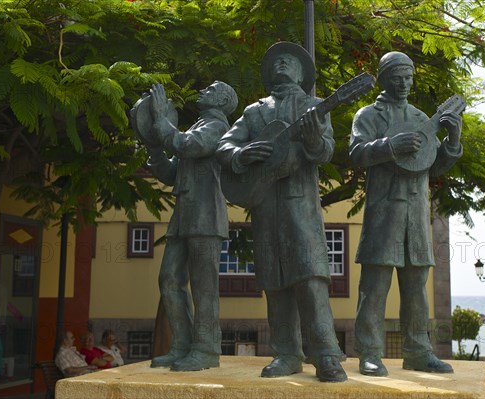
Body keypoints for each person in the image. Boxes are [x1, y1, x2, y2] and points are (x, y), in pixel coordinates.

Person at [216, 42, 346, 383]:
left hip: (300, 204)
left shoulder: (314, 106)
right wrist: (240, 155)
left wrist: (315, 139)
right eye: (275, 62)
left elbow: (325, 151)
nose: (281, 65)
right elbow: (224, 145)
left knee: (309, 279)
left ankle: (327, 355)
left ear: (303, 73)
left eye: (288, 61)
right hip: (265, 205)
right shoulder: (253, 112)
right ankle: (286, 354)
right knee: (274, 283)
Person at [350, 51, 463, 376]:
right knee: (374, 287)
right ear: (384, 78)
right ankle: (369, 353)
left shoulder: (419, 117)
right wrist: (389, 146)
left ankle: (417, 351)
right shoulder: (368, 115)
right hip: (384, 212)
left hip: (416, 214)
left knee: (417, 288)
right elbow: (356, 154)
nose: (403, 83)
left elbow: (432, 164)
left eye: (408, 77)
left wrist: (452, 141)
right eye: (397, 77)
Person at [134, 80, 238, 371]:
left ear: (222, 100)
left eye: (211, 89)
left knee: (204, 287)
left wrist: (160, 120)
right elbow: (170, 172)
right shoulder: (197, 126)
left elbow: (185, 145)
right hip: (184, 217)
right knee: (168, 279)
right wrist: (154, 148)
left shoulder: (217, 128)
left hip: (206, 217)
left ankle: (206, 349)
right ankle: (182, 344)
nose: (202, 90)